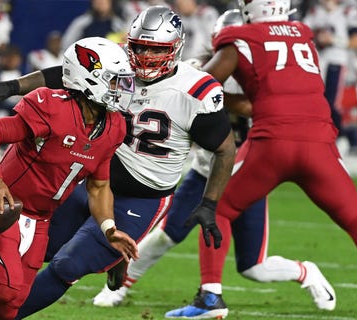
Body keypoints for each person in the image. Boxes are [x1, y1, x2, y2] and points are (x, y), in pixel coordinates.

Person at [0, 6, 237, 319]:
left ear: (175, 49)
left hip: (140, 197)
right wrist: (13, 86)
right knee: (39, 253)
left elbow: (225, 150)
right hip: (90, 180)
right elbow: (65, 75)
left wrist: (210, 203)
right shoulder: (120, 64)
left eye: (156, 49)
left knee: (68, 265)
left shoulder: (196, 91)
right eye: (140, 47)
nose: (145, 56)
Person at [169, 0, 357, 319]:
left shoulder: (241, 38)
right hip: (319, 143)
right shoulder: (302, 34)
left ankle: (210, 298)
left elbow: (202, 88)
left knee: (218, 209)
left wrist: (190, 76)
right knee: (356, 219)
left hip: (273, 143)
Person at [92, 10, 335, 318]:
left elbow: (256, 108)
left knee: (254, 267)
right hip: (205, 171)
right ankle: (123, 285)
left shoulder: (257, 79)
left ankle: (304, 271)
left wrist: (216, 88)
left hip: (247, 174)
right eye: (224, 46)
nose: (228, 52)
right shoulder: (197, 71)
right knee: (168, 234)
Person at [0, 37, 139, 320]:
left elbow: (99, 186)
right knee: (6, 290)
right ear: (88, 79)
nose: (122, 89)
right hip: (3, 202)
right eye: (114, 81)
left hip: (41, 218)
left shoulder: (114, 126)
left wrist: (108, 227)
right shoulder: (54, 107)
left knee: (9, 308)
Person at [302, 0, 357, 155]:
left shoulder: (348, 11)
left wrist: (333, 40)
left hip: (337, 61)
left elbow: (356, 42)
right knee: (316, 103)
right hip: (317, 63)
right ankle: (321, 138)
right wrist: (316, 36)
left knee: (331, 103)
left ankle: (340, 137)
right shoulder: (315, 11)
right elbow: (301, 33)